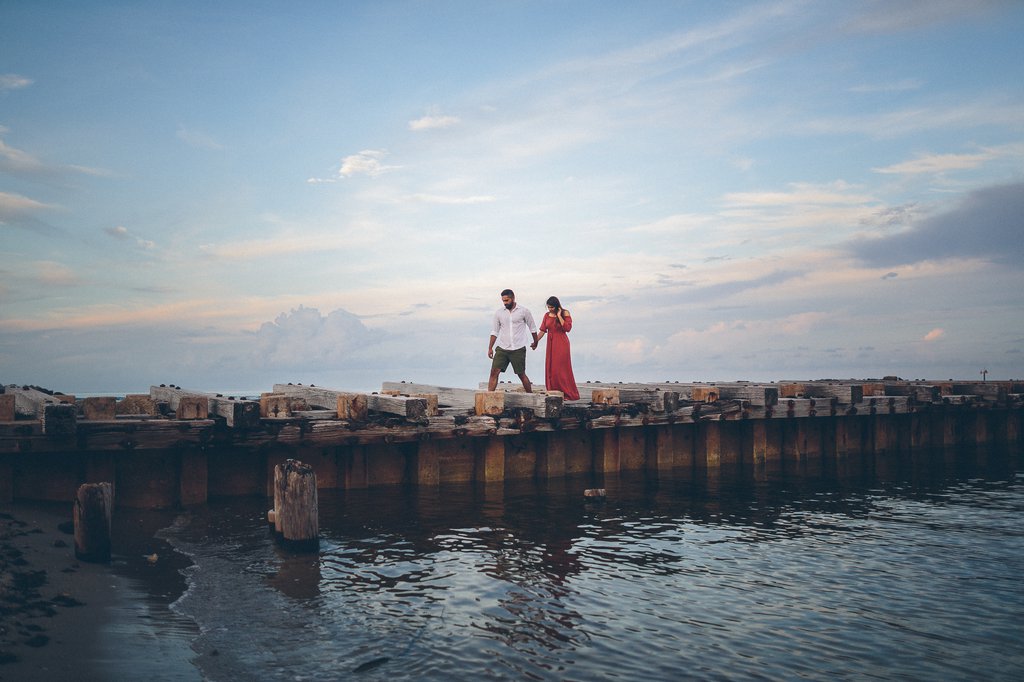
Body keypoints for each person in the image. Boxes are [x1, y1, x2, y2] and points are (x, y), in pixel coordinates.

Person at [487, 289, 539, 392]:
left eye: (507, 300)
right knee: (494, 372)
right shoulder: (499, 313)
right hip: (503, 348)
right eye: (503, 301)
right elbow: (495, 331)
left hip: (518, 348)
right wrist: (490, 348)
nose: (505, 303)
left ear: (513, 298)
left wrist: (535, 342)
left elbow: (532, 328)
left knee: (521, 374)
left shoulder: (524, 311)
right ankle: (489, 396)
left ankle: (530, 395)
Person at [535, 295, 579, 400]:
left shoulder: (565, 313)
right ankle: (554, 391)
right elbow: (542, 330)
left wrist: (559, 315)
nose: (550, 309)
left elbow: (567, 328)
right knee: (552, 368)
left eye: (552, 307)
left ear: (556, 306)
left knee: (561, 368)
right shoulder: (546, 315)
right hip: (551, 344)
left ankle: (567, 392)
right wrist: (535, 341)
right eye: (548, 307)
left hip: (561, 343)